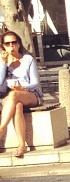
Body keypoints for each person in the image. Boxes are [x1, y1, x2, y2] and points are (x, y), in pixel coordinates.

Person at [0, 30, 44, 158]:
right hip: (10, 98)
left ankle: (1, 129)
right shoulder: (2, 62)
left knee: (15, 95)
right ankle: (21, 145)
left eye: (14, 42)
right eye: (7, 44)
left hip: (30, 94)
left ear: (19, 44)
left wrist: (22, 87)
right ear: (3, 46)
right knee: (17, 105)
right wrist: (4, 64)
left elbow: (35, 83)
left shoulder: (28, 59)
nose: (11, 46)